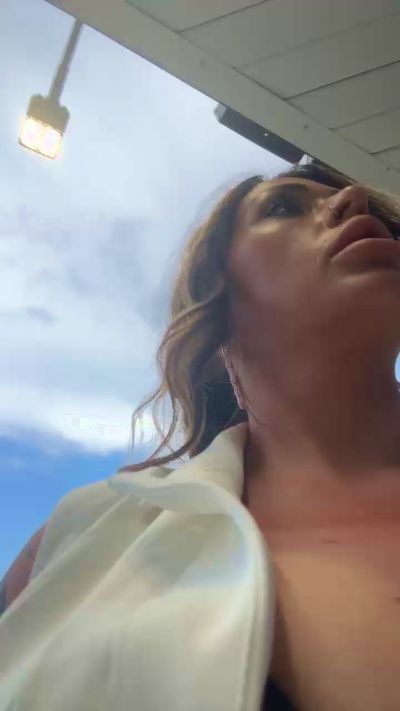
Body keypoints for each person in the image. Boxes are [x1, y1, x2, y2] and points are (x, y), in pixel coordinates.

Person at [1, 161, 400, 710]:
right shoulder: (86, 532)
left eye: (373, 211)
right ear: (217, 316)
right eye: (283, 207)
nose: (352, 198)